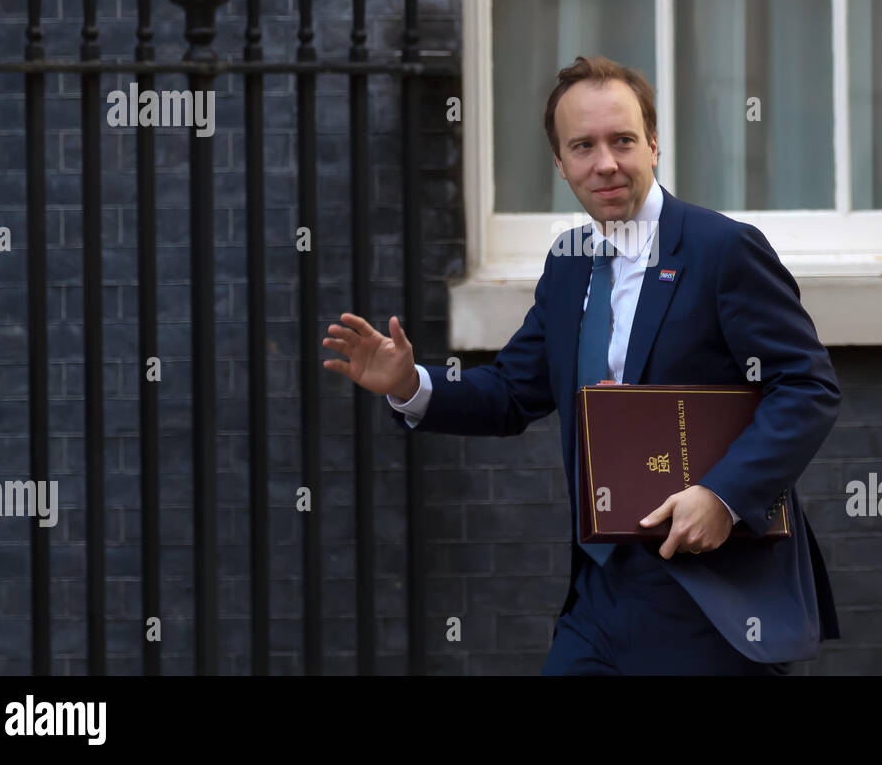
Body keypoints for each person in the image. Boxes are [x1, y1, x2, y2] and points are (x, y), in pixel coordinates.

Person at [322, 55, 841, 675]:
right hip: (599, 597)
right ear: (560, 164)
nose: (606, 163)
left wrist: (723, 497)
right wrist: (411, 384)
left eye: (622, 141)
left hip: (711, 599)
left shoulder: (723, 250)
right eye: (583, 146)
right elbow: (514, 391)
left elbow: (806, 386)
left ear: (653, 144)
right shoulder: (568, 265)